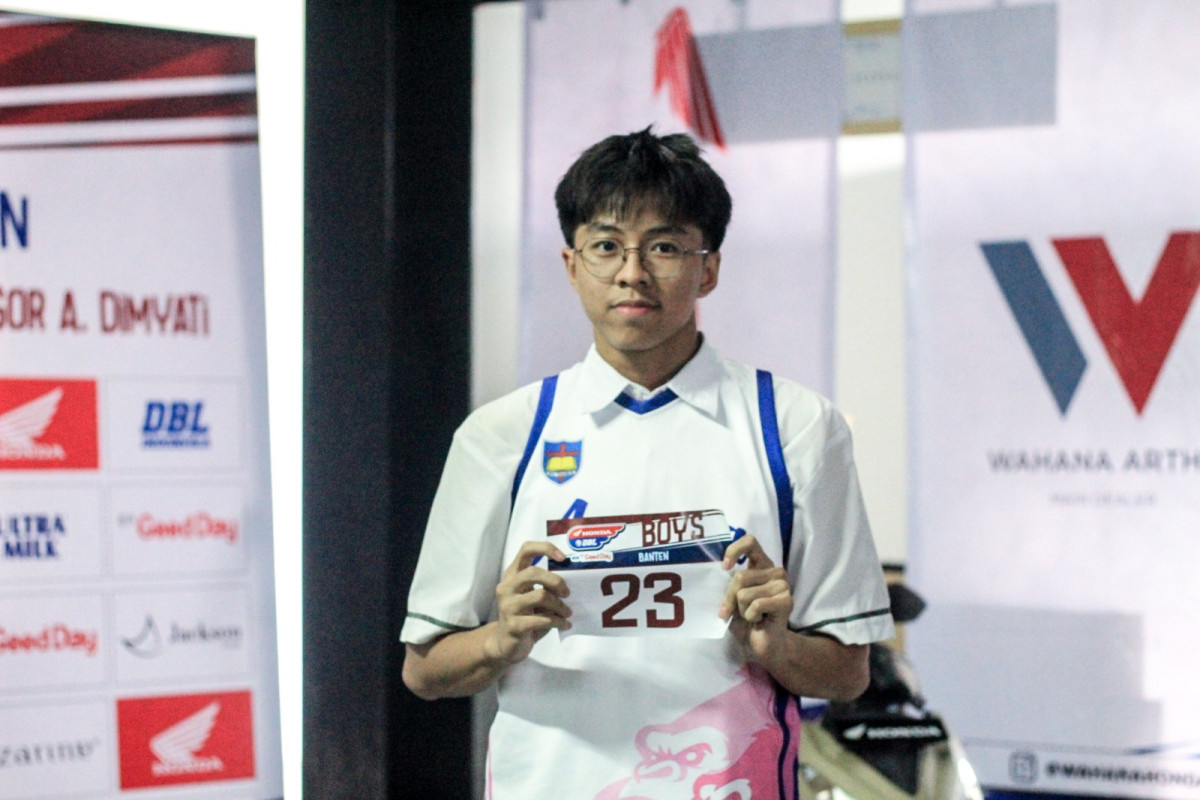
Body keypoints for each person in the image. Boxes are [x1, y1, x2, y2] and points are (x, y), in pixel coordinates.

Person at [401, 128, 894, 800]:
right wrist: (500, 639)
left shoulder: (797, 427)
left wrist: (775, 646)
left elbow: (848, 672)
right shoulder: (501, 434)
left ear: (708, 268)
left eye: (663, 246)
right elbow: (424, 669)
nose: (632, 272)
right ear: (572, 265)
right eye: (606, 246)